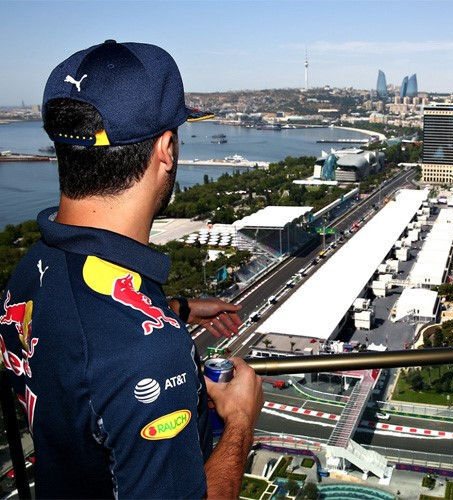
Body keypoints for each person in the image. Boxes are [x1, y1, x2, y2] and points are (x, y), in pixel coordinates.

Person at [0, 40, 264, 498]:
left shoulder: (30, 269)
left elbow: (79, 342)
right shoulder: (147, 356)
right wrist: (240, 419)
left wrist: (172, 307)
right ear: (166, 149)